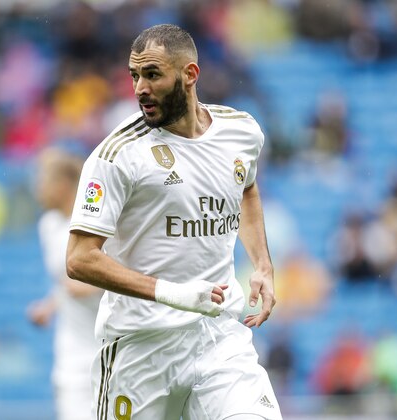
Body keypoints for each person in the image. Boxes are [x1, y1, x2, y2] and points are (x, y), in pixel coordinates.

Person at [66, 24, 281, 420]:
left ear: (190, 75)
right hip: (141, 346)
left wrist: (263, 264)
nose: (139, 89)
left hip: (218, 335)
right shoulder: (116, 156)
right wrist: (170, 292)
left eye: (152, 75)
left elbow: (246, 187)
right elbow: (79, 258)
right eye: (134, 76)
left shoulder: (241, 131)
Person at [27, 147, 103, 420]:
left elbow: (125, 276)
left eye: (42, 181)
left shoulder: (98, 223)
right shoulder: (48, 226)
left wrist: (88, 286)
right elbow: (65, 281)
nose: (37, 190)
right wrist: (50, 305)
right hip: (71, 356)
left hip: (107, 347)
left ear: (62, 185)